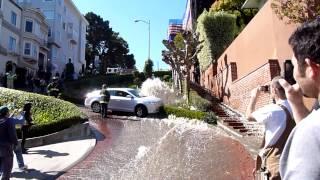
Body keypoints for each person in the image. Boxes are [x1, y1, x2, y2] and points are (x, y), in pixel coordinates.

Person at [278, 19, 320, 179]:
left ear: (311, 68)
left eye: (294, 65)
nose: (294, 74)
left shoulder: (309, 134)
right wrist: (296, 103)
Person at [246, 76, 295, 180]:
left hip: (275, 164)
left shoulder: (272, 110)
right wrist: (274, 91)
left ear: (275, 89)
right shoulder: (296, 105)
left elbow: (248, 116)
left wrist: (254, 96)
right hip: (292, 159)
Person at [0, 106, 18, 180]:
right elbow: (13, 135)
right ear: (7, 112)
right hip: (6, 147)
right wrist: (16, 143)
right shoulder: (9, 121)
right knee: (7, 167)